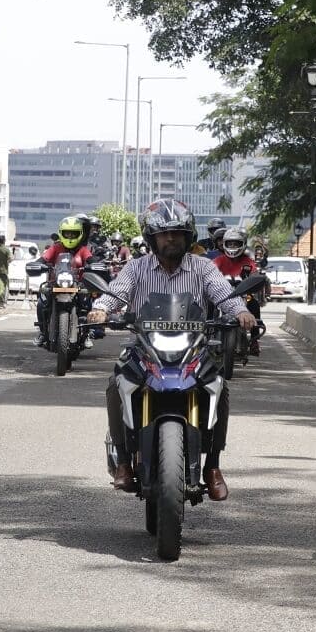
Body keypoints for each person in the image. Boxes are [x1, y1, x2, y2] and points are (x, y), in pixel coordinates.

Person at [88, 199, 256, 501]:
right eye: (164, 234)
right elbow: (116, 293)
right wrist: (101, 309)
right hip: (145, 347)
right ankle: (124, 462)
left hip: (194, 348)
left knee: (220, 386)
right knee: (116, 384)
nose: (171, 239)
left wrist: (240, 312)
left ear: (188, 236)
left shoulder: (203, 267)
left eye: (177, 233)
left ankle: (213, 465)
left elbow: (225, 295)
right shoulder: (136, 268)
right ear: (152, 238)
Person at [36, 215, 93, 347]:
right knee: (41, 303)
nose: (70, 237)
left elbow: (91, 259)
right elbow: (43, 259)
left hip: (77, 285)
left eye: (74, 234)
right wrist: (37, 264)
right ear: (61, 233)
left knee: (88, 303)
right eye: (67, 233)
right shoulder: (55, 248)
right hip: (55, 283)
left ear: (80, 234)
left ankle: (87, 333)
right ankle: (42, 332)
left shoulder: (83, 250)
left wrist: (95, 264)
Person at [212, 227, 262, 355]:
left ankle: (254, 341)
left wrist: (255, 279)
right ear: (225, 244)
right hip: (222, 296)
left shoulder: (248, 261)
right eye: (230, 244)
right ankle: (206, 333)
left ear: (243, 244)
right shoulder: (219, 260)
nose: (233, 246)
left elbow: (254, 274)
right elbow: (209, 272)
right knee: (209, 304)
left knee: (254, 305)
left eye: (236, 244)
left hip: (244, 295)